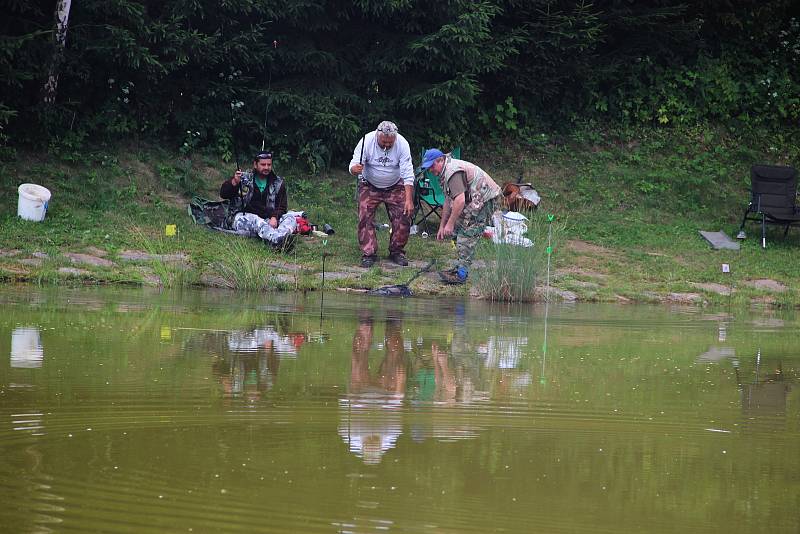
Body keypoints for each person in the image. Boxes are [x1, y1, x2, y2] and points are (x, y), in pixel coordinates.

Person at [419, 149, 501, 284]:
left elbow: (460, 201)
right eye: (428, 168)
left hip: (485, 198)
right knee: (459, 230)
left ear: (440, 160)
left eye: (432, 166)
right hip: (474, 197)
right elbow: (448, 200)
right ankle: (460, 267)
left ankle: (461, 274)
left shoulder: (452, 172)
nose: (430, 171)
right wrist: (442, 225)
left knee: (467, 232)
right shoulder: (443, 172)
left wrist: (450, 223)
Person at [349, 121, 415, 267]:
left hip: (395, 185)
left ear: (395, 139)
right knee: (365, 216)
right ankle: (369, 253)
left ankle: (396, 251)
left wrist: (409, 200)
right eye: (384, 142)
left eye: (390, 143)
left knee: (404, 215)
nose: (386, 146)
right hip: (369, 184)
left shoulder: (402, 144)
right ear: (377, 136)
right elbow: (353, 164)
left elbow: (408, 173)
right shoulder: (366, 141)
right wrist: (355, 169)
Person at [219, 151, 296, 251]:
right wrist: (234, 182)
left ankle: (280, 239)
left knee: (291, 217)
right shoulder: (243, 178)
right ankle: (278, 240)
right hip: (241, 218)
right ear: (255, 165)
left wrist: (274, 217)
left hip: (266, 219)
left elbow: (282, 206)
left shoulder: (278, 183)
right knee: (256, 220)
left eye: (269, 165)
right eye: (263, 164)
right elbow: (223, 194)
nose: (266, 167)